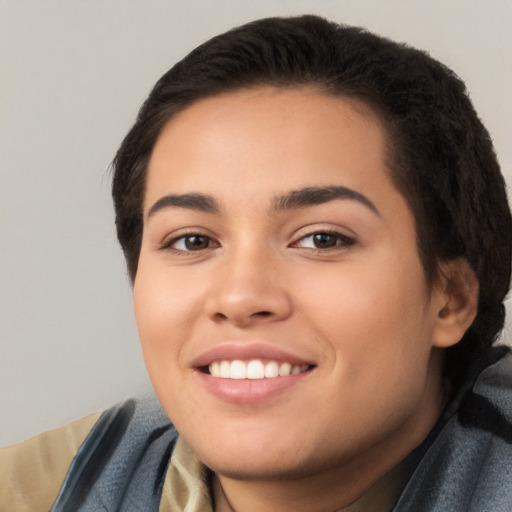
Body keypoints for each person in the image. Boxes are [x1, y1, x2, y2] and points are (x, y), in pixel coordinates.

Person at [1, 14, 511, 512]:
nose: (241, 297)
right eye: (193, 241)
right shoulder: (42, 490)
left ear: (451, 298)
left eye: (321, 238)